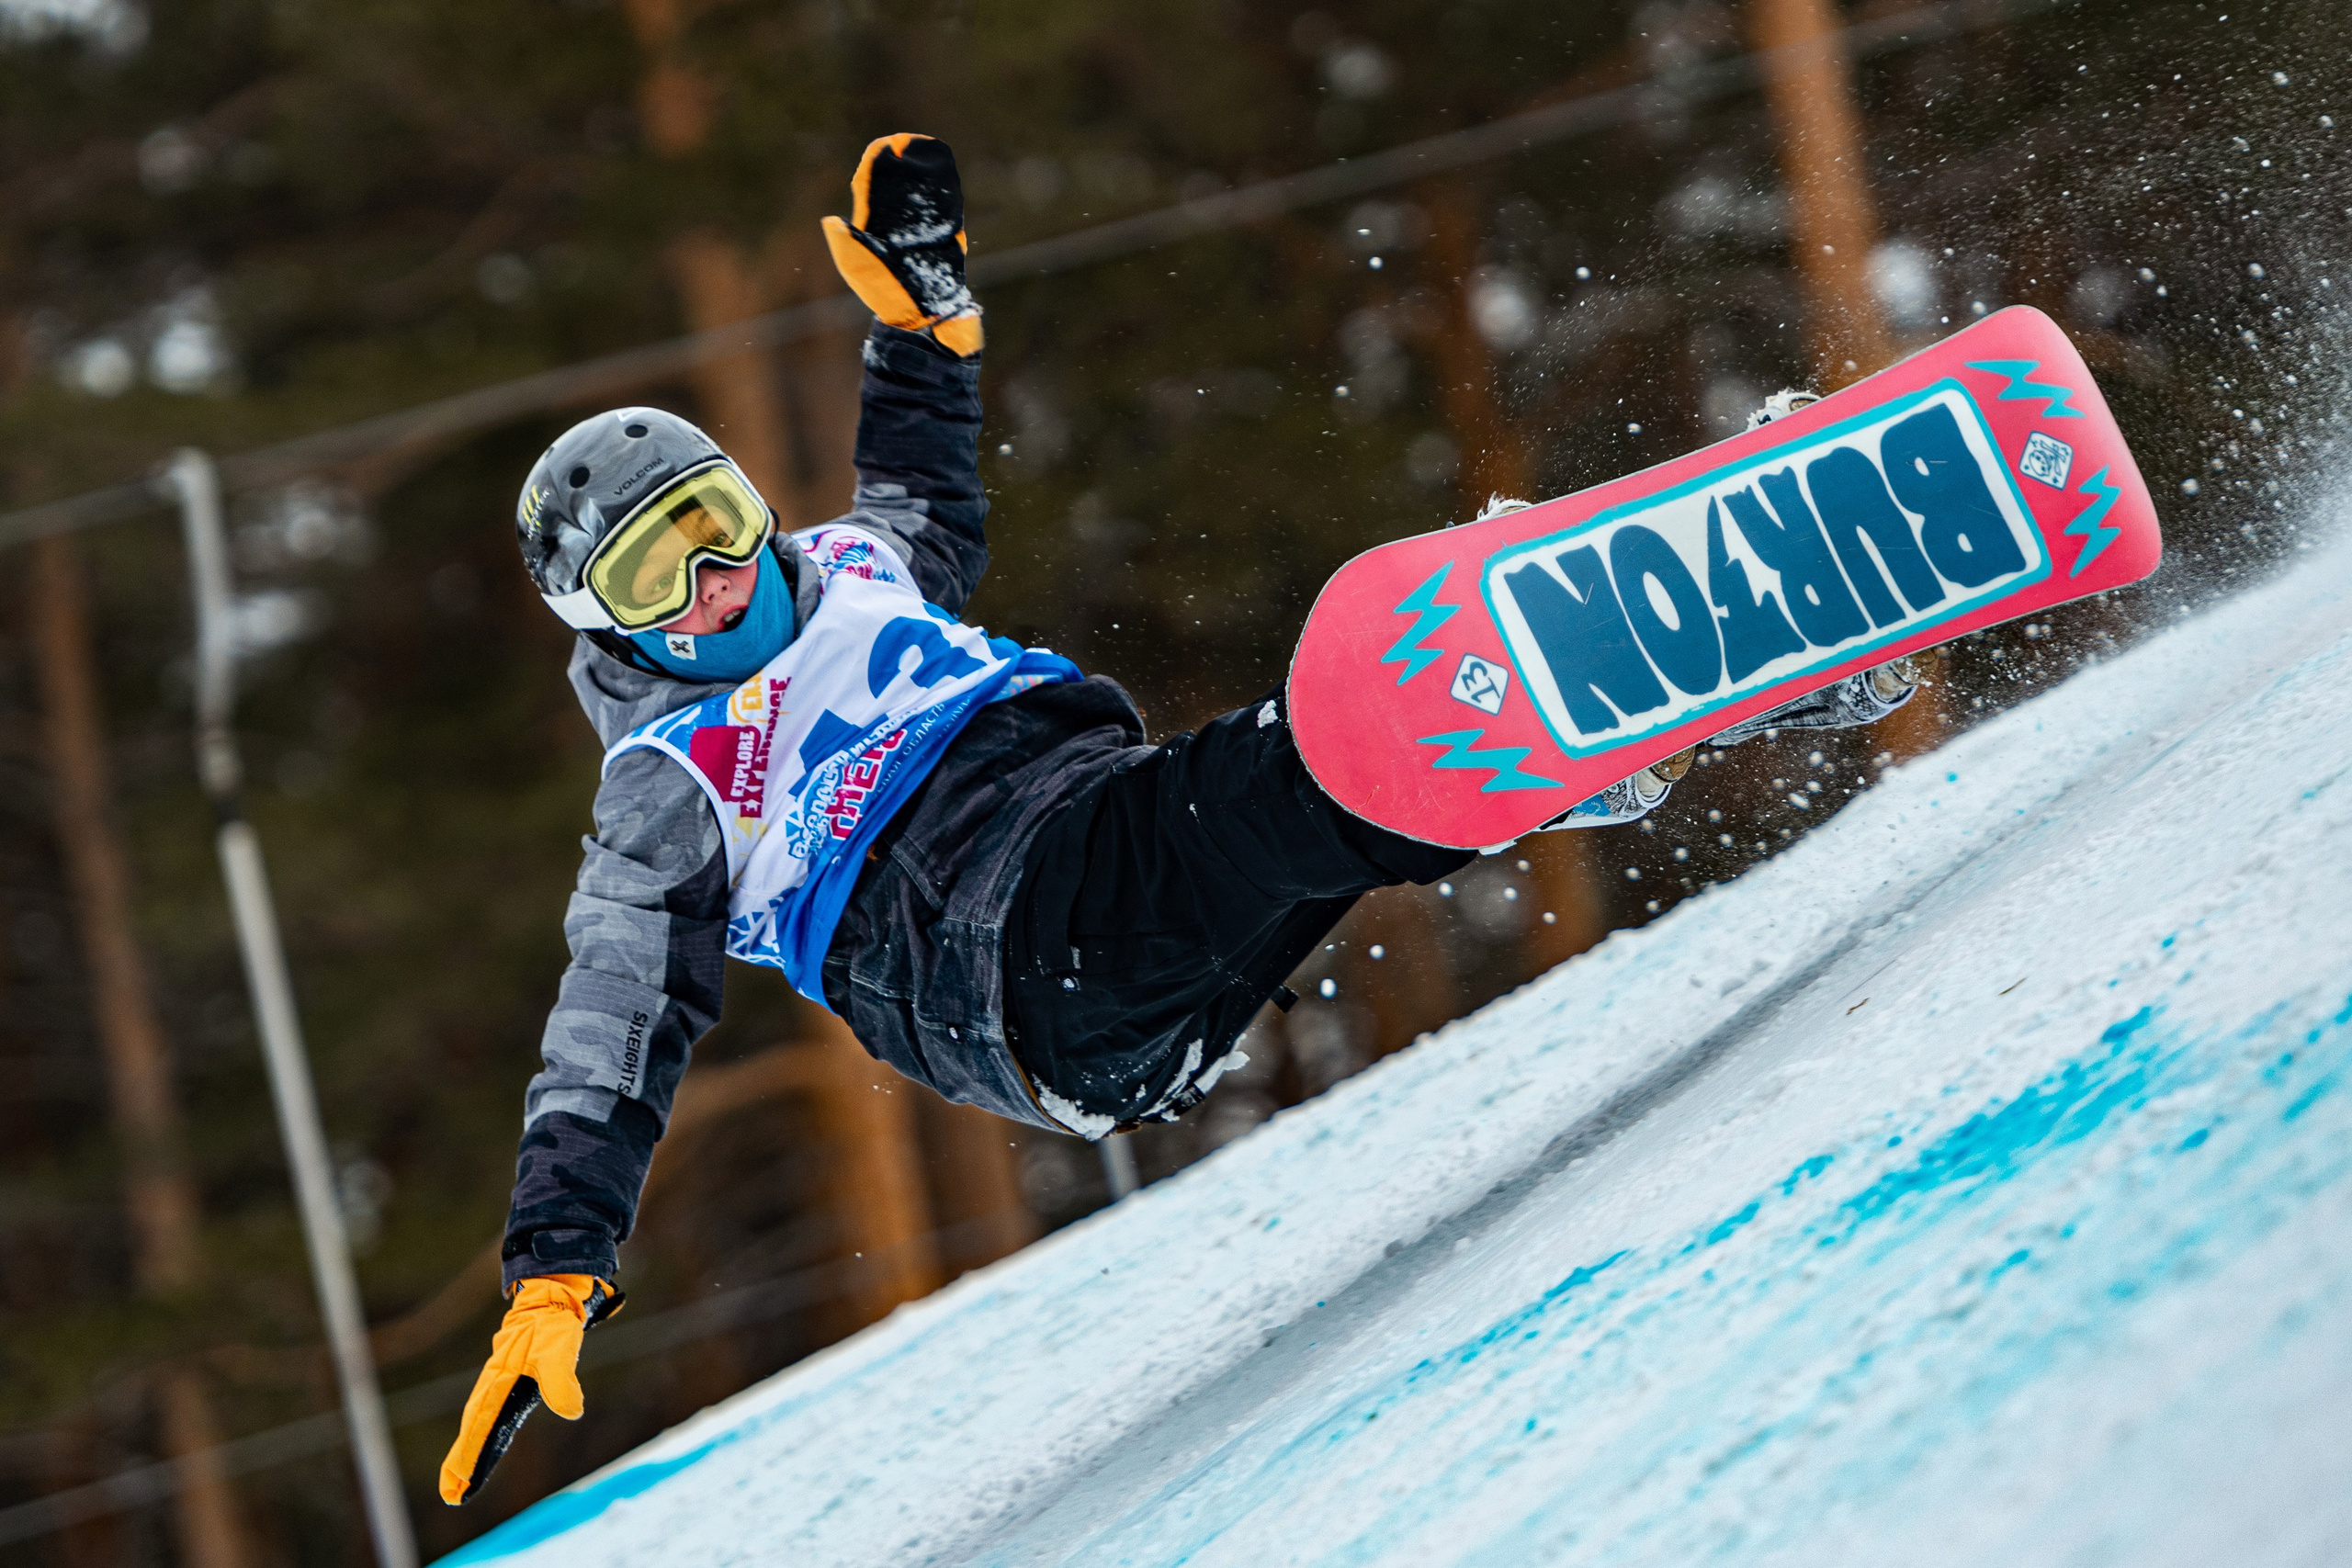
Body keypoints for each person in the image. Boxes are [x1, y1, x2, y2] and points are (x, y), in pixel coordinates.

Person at [438, 134, 1916, 1506]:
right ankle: (1532, 672)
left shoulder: (857, 565)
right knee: (1319, 749)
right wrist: (557, 1269)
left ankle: (1684, 703)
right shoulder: (671, 785)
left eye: (714, 523)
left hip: (1109, 956)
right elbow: (613, 1025)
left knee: (1344, 809)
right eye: (657, 581)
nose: (716, 583)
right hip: (995, 950)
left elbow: (921, 483)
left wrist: (929, 321)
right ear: (607, 628)